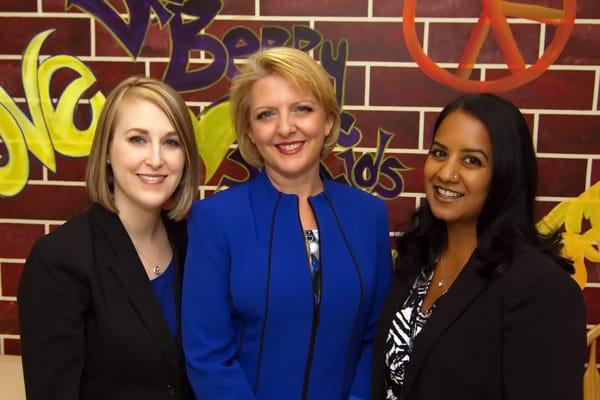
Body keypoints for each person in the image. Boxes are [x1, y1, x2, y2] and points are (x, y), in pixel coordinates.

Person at [182, 46, 392, 400]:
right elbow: (207, 355)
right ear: (248, 130)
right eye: (266, 114)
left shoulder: (368, 216)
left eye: (302, 109)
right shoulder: (215, 220)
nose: (285, 128)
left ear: (326, 120)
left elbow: (376, 337)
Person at [371, 93, 587, 399]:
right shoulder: (416, 261)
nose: (446, 173)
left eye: (472, 160)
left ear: (505, 174)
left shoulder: (541, 288)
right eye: (440, 153)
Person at [18, 76, 200, 400]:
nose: (156, 159)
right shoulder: (60, 259)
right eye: (137, 139)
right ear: (106, 151)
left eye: (171, 142)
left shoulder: (195, 246)